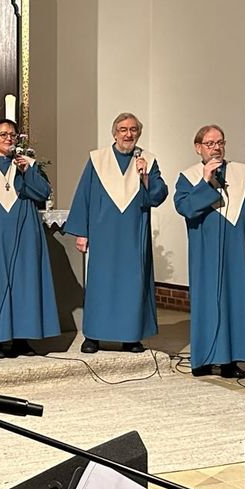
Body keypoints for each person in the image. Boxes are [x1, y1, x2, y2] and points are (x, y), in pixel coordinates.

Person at [64, 112, 167, 354]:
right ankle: (94, 337)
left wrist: (144, 176)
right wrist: (82, 232)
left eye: (133, 130)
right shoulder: (98, 159)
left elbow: (159, 195)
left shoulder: (148, 162)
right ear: (114, 133)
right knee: (101, 284)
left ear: (138, 133)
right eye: (123, 129)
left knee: (133, 283)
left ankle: (131, 337)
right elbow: (84, 196)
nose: (128, 134)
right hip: (103, 234)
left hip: (133, 234)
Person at [173, 125, 245, 377]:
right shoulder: (190, 177)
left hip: (237, 251)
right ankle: (205, 359)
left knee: (236, 301)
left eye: (220, 142)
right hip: (205, 252)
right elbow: (184, 208)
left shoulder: (242, 173)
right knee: (207, 302)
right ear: (198, 148)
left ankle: (231, 361)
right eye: (209, 143)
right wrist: (205, 181)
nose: (216, 148)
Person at [0, 119, 60, 357]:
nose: (8, 139)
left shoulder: (27, 165)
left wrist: (27, 171)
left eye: (12, 135)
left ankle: (22, 340)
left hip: (24, 232)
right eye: (3, 134)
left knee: (24, 284)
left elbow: (42, 192)